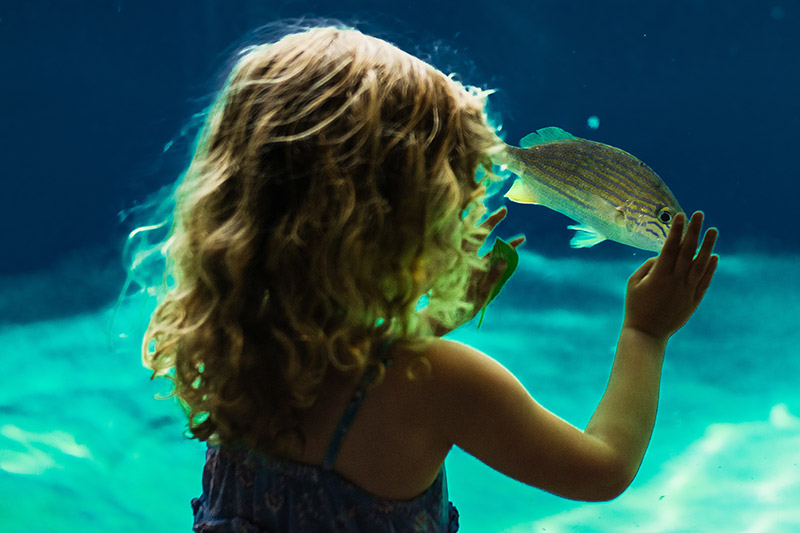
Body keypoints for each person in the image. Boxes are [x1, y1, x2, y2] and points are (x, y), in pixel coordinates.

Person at [138, 26, 719, 532]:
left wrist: (431, 317)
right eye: (452, 195)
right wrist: (646, 333)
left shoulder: (239, 350)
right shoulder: (441, 382)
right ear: (403, 224)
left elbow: (354, 387)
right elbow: (602, 468)